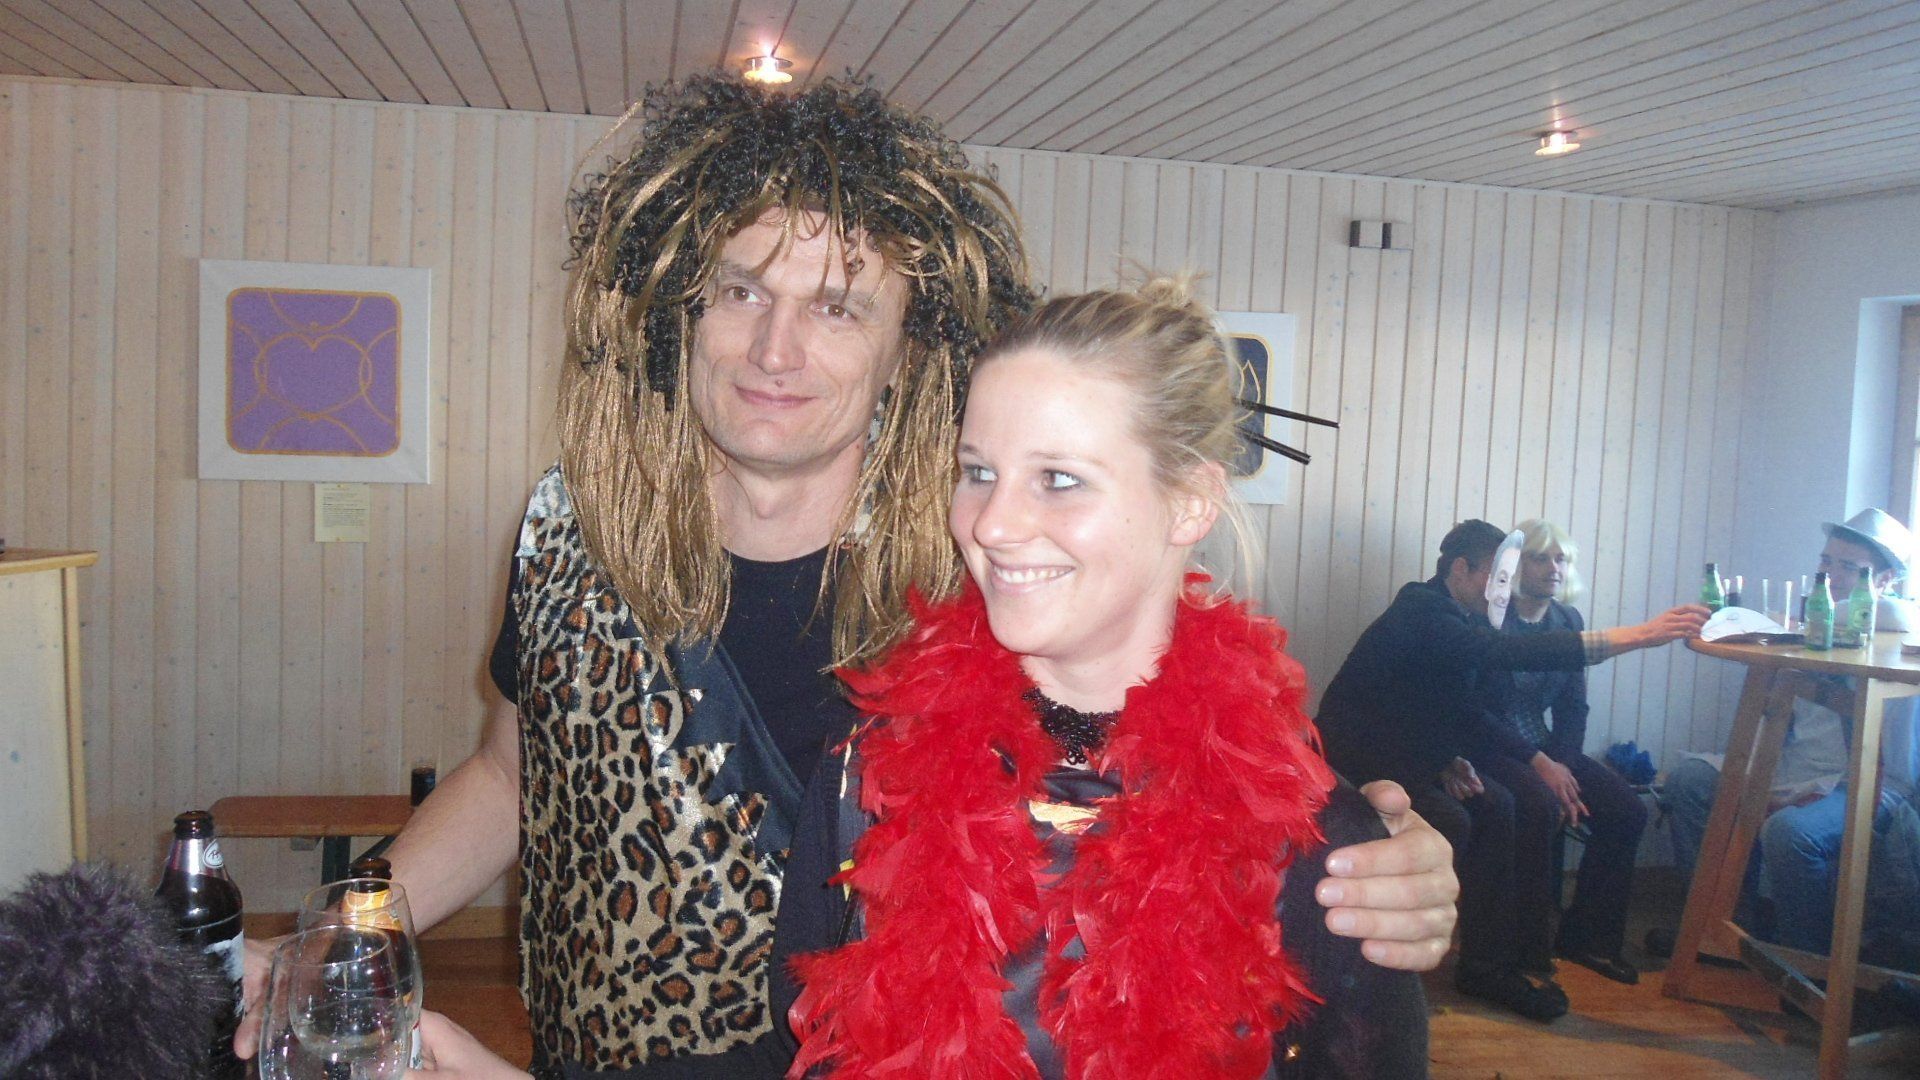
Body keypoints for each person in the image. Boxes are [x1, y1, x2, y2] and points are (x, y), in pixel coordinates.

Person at [235, 76, 1455, 1077]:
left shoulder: (989, 574)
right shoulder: (576, 528)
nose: (775, 348)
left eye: (836, 308)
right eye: (740, 291)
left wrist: (1387, 858)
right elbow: (511, 774)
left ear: (905, 347)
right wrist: (338, 937)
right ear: (680, 311)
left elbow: (1187, 766)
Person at [776, 279, 1430, 1078]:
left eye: (1058, 478)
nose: (992, 524)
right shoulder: (868, 776)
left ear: (1190, 503)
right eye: (977, 472)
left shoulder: (1314, 842)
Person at [1316, 519, 1707, 1021]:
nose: (1506, 591)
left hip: (1403, 755)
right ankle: (1428, 965)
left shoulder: (1461, 612)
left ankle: (1491, 964)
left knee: (1496, 805)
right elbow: (1494, 658)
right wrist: (1639, 635)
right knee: (1470, 818)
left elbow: (1442, 703)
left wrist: (1446, 758)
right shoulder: (1423, 609)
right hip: (1355, 762)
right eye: (1497, 577)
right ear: (1461, 570)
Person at [1657, 508, 1920, 960]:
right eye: (1826, 561)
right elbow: (1780, 721)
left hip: (1867, 782)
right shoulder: (1810, 625)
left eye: (1849, 567)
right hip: (1793, 765)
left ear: (1885, 580)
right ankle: (1727, 928)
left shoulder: (1898, 639)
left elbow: (1891, 769)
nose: (1830, 575)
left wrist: (1812, 793)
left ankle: (1805, 964)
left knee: (1791, 832)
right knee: (1690, 781)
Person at [1468, 520, 1648, 989]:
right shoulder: (1490, 618)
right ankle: (1527, 946)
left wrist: (1563, 764)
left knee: (1628, 810)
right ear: (1514, 566)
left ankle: (1589, 938)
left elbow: (1573, 707)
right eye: (1540, 557)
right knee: (1539, 805)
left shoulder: (1567, 622)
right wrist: (1541, 764)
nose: (1553, 568)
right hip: (1493, 748)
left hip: (1549, 749)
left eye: (1561, 559)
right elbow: (1475, 711)